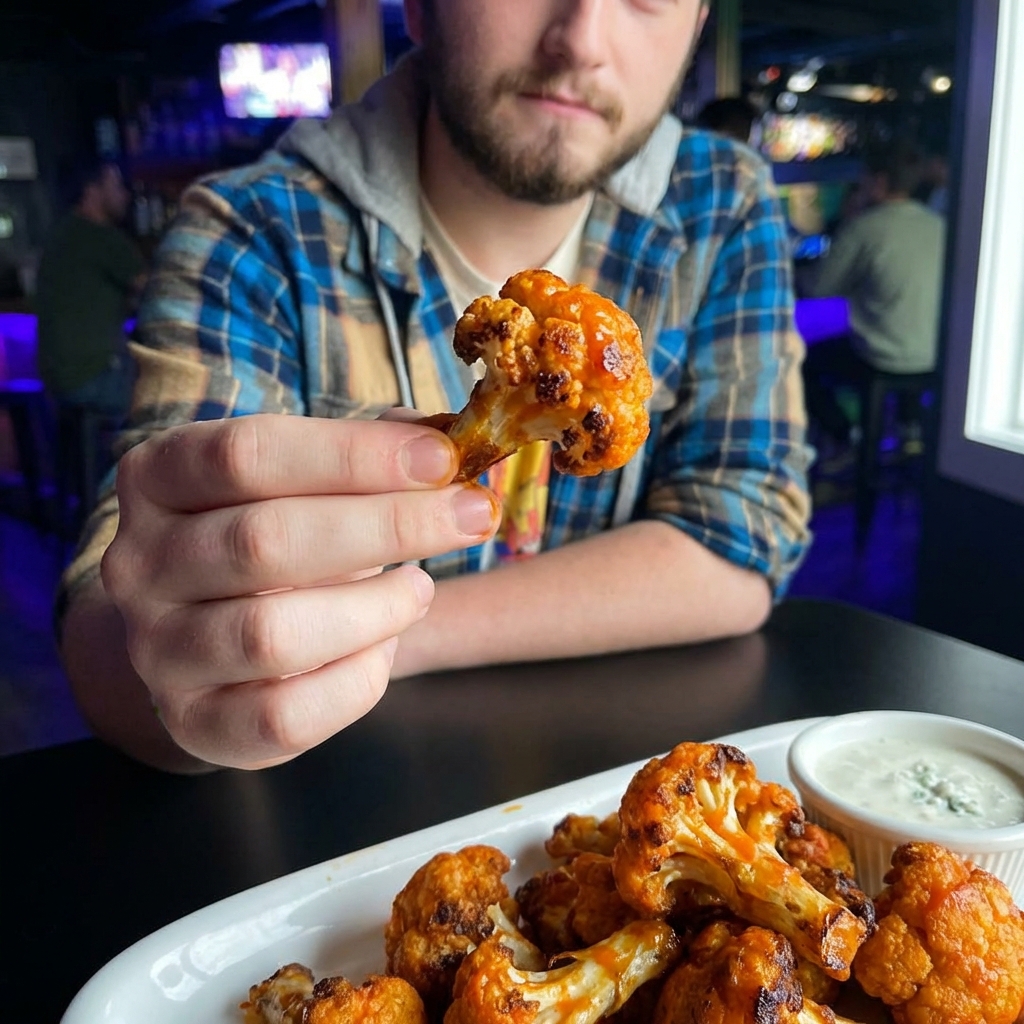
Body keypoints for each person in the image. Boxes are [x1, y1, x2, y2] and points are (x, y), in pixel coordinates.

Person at [59, 0, 812, 774]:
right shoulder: (249, 229)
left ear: (696, 26)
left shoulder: (726, 202)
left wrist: (400, 630)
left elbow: (744, 537)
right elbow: (115, 618)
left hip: (609, 773)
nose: (580, 40)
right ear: (417, 6)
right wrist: (176, 659)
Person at [802, 143, 946, 443]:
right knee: (896, 327)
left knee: (800, 360)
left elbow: (819, 288)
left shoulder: (865, 227)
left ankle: (846, 434)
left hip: (882, 358)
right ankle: (910, 429)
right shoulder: (938, 225)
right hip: (933, 354)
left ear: (878, 181)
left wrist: (844, 221)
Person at [36, 159, 145, 418]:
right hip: (93, 374)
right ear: (92, 192)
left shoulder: (63, 233)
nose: (125, 194)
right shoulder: (101, 236)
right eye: (116, 185)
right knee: (171, 393)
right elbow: (159, 291)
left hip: (56, 379)